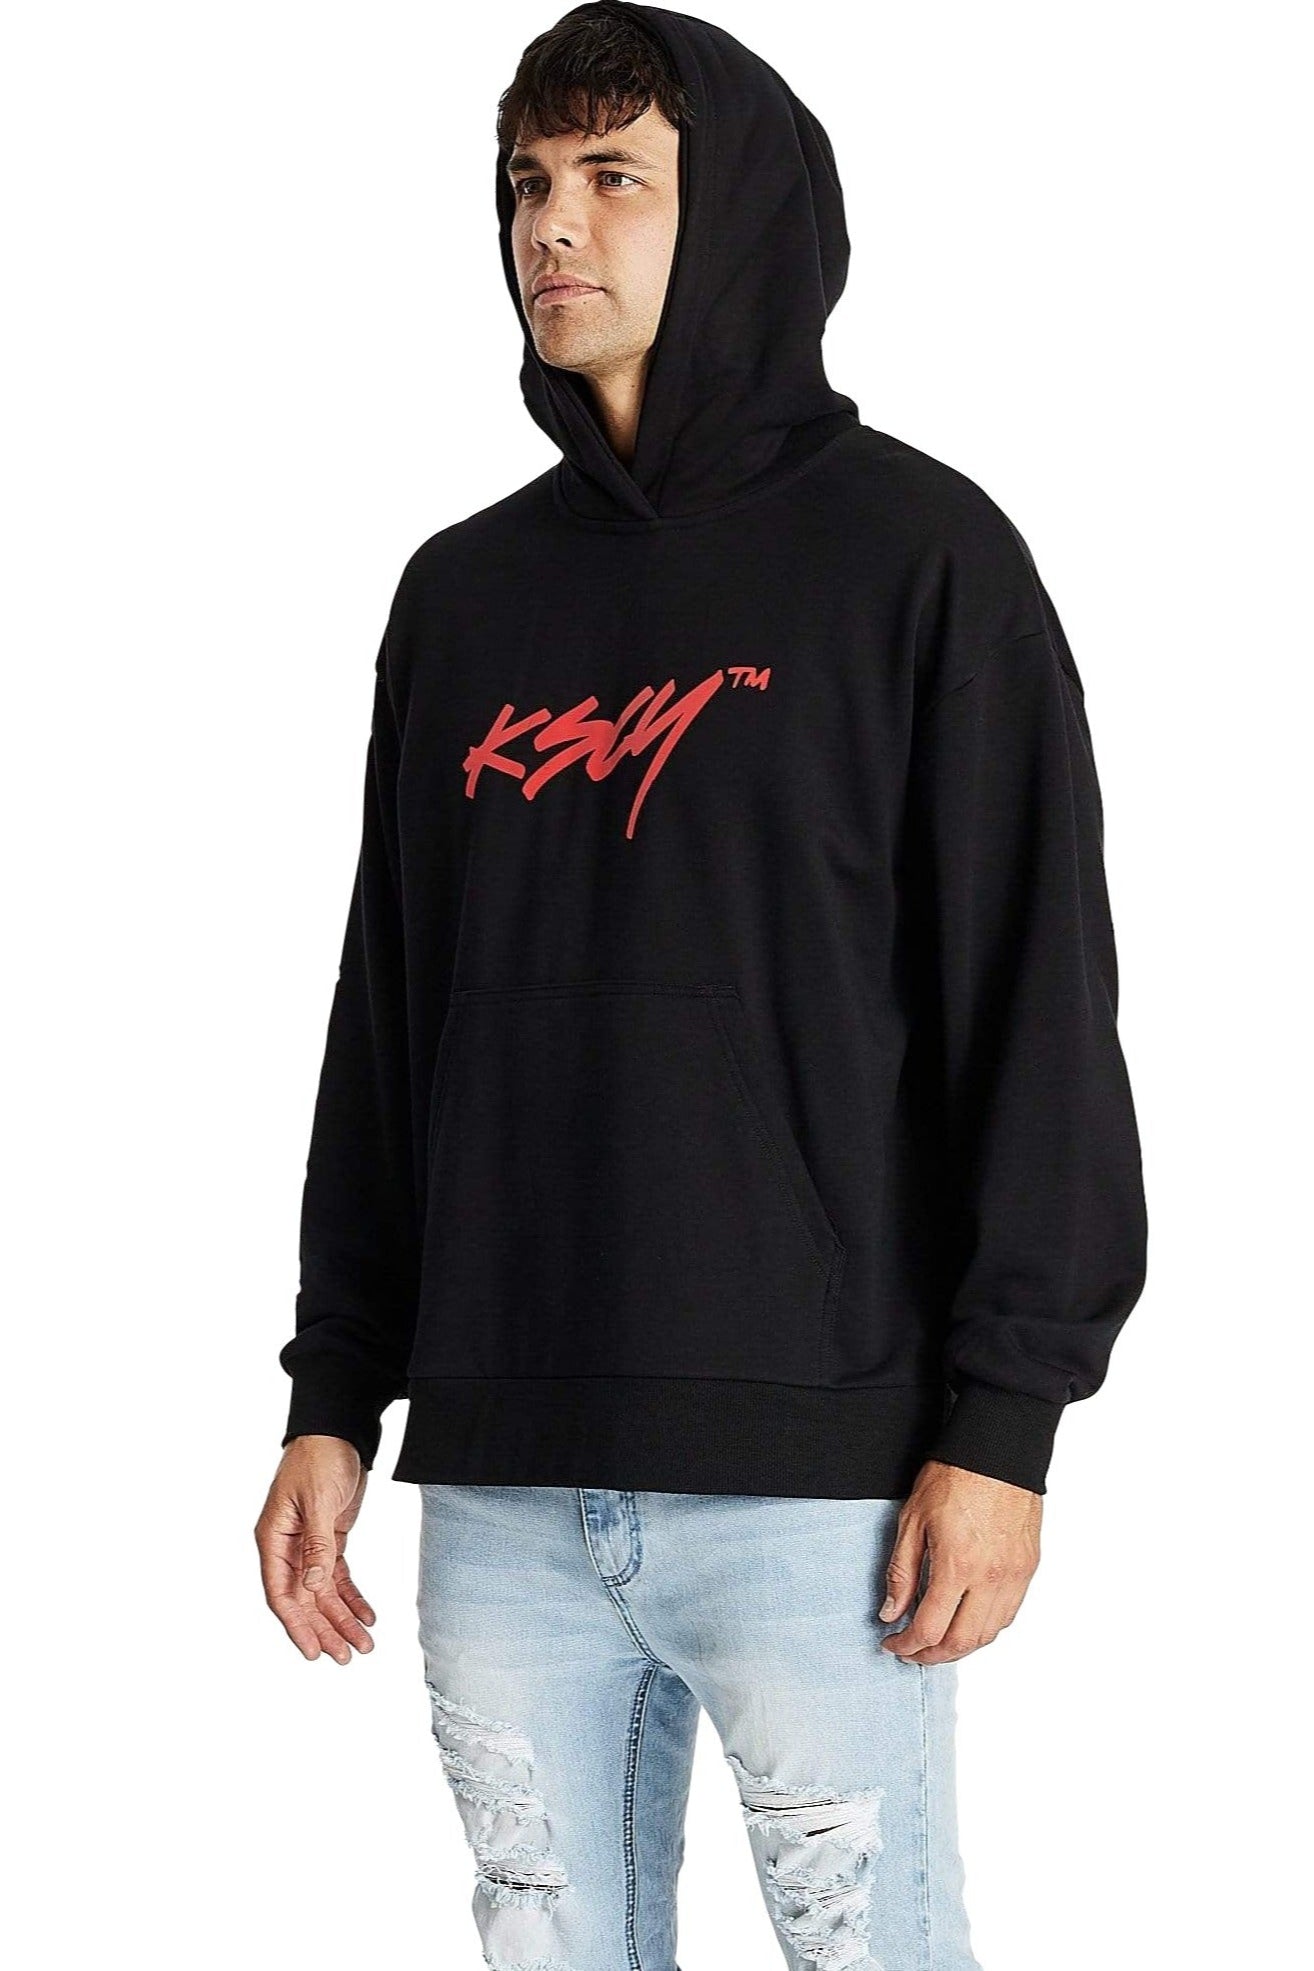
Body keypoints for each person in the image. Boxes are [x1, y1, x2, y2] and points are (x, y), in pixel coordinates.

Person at [255, 5, 1148, 1966]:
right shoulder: (462, 596)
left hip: (818, 1482)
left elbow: (1035, 1010)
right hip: (500, 1471)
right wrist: (334, 1388)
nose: (550, 226)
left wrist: (1006, 1421)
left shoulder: (922, 560)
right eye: (525, 184)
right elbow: (391, 1014)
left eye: (612, 179)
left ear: (733, 208)